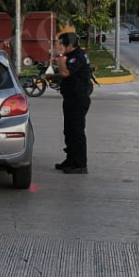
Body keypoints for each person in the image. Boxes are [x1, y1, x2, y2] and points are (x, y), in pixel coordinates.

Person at [53, 32, 93, 174]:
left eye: (61, 44)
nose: (59, 46)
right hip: (70, 98)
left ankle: (80, 164)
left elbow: (65, 73)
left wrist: (58, 56)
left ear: (70, 45)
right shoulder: (71, 56)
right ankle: (70, 159)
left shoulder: (78, 57)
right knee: (69, 131)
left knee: (76, 131)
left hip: (78, 99)